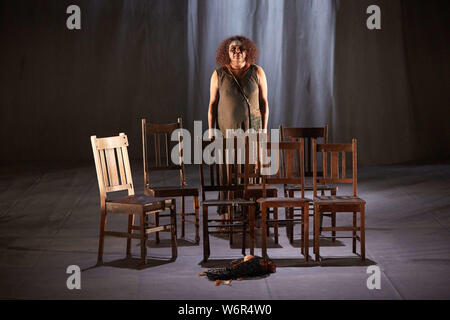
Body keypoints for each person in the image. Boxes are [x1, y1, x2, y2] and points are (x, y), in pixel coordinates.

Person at [207, 35, 269, 219]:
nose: (236, 52)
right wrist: (211, 129)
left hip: (253, 131)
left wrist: (264, 130)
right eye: (232, 49)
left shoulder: (257, 72)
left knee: (251, 171)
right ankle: (226, 214)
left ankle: (250, 212)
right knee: (228, 171)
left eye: (240, 49)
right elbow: (212, 104)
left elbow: (264, 103)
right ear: (227, 52)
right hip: (226, 132)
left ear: (247, 51)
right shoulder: (218, 74)